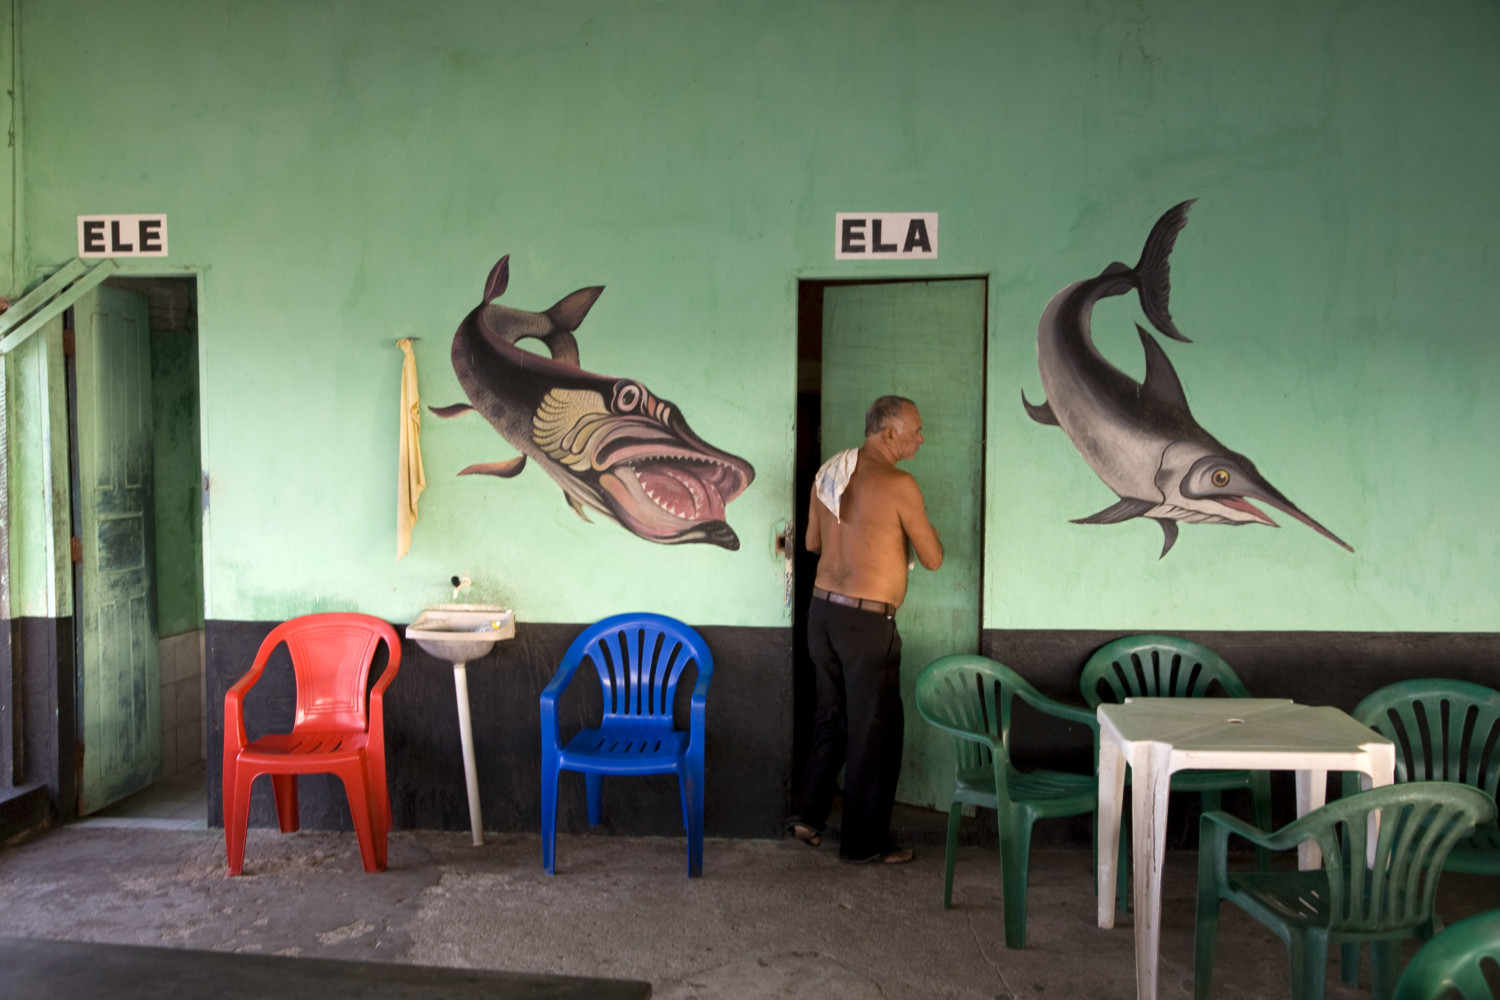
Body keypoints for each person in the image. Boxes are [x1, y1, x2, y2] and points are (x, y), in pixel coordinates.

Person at [787, 395, 943, 864]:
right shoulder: (899, 484)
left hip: (821, 614)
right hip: (866, 623)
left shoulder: (828, 474)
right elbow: (933, 558)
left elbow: (812, 541)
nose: (921, 438)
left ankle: (807, 816)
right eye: (916, 430)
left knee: (831, 717)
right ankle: (863, 845)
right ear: (889, 433)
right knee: (874, 733)